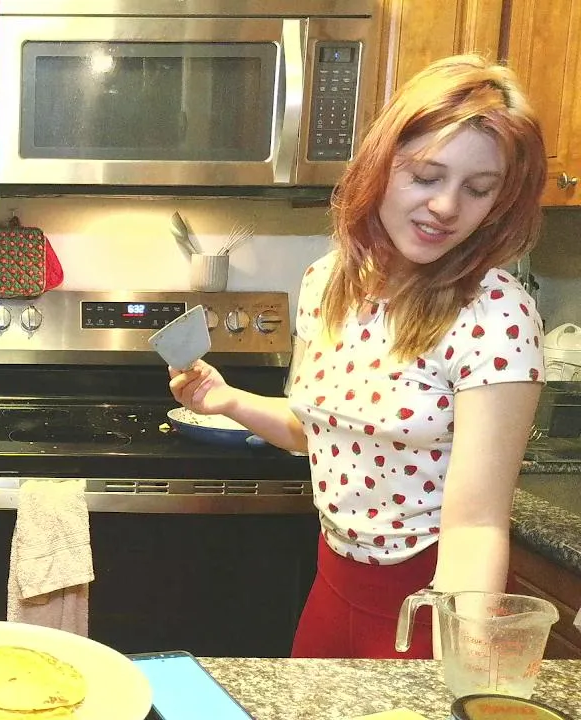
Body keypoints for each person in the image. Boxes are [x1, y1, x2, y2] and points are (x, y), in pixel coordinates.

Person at [170, 55, 547, 659]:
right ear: (380, 164)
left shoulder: (497, 316)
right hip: (332, 591)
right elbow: (315, 432)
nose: (446, 207)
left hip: (430, 608)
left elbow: (476, 526)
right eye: (427, 176)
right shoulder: (328, 281)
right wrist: (228, 400)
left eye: (478, 189)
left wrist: (459, 664)